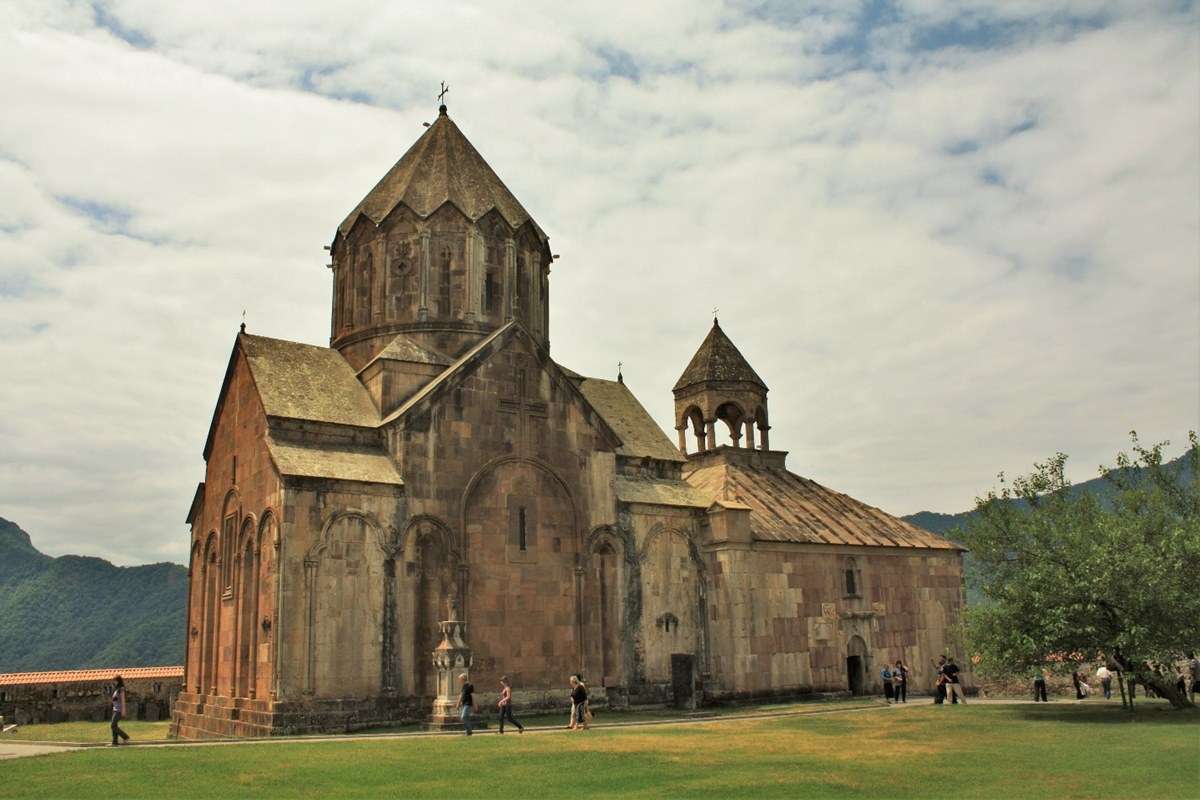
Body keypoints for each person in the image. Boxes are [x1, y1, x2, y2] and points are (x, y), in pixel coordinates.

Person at [110, 675, 130, 746]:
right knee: (114, 725)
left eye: (115, 681)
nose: (114, 682)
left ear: (118, 681)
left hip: (119, 710)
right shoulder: (116, 689)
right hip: (115, 709)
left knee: (113, 725)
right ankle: (114, 742)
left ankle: (126, 737)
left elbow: (123, 700)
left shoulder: (121, 689)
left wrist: (123, 711)